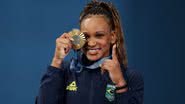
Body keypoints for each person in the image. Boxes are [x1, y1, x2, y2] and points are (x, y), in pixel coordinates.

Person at [36, 0, 144, 104]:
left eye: (99, 35)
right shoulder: (65, 72)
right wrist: (57, 60)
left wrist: (119, 83)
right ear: (78, 38)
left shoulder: (130, 77)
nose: (91, 43)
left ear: (112, 37)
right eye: (86, 36)